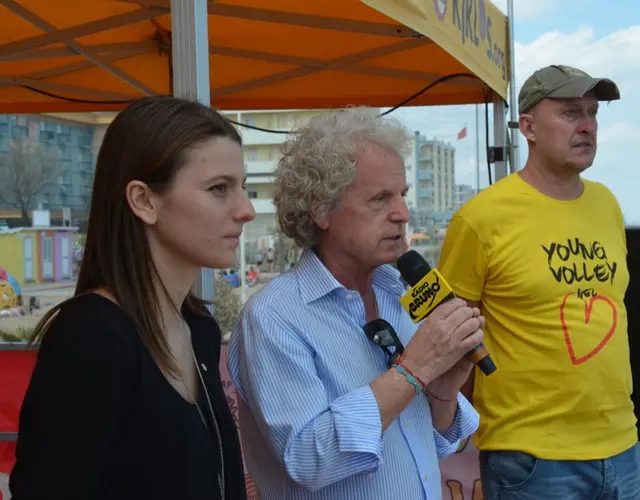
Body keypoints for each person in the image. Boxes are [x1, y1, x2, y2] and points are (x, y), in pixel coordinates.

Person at [228, 107, 483, 499]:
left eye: (403, 195)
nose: (402, 214)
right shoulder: (274, 317)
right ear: (321, 209)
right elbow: (308, 459)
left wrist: (443, 389)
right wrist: (415, 369)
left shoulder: (400, 294)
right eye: (380, 199)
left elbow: (436, 443)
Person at [10, 96, 255, 500]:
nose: (245, 209)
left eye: (242, 187)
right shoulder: (92, 338)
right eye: (219, 189)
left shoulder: (199, 330)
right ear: (143, 200)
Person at [438, 65, 640, 498]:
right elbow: (449, 339)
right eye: (570, 113)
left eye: (592, 113)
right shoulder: (481, 219)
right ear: (527, 126)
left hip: (622, 446)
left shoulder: (606, 204)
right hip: (529, 457)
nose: (587, 125)